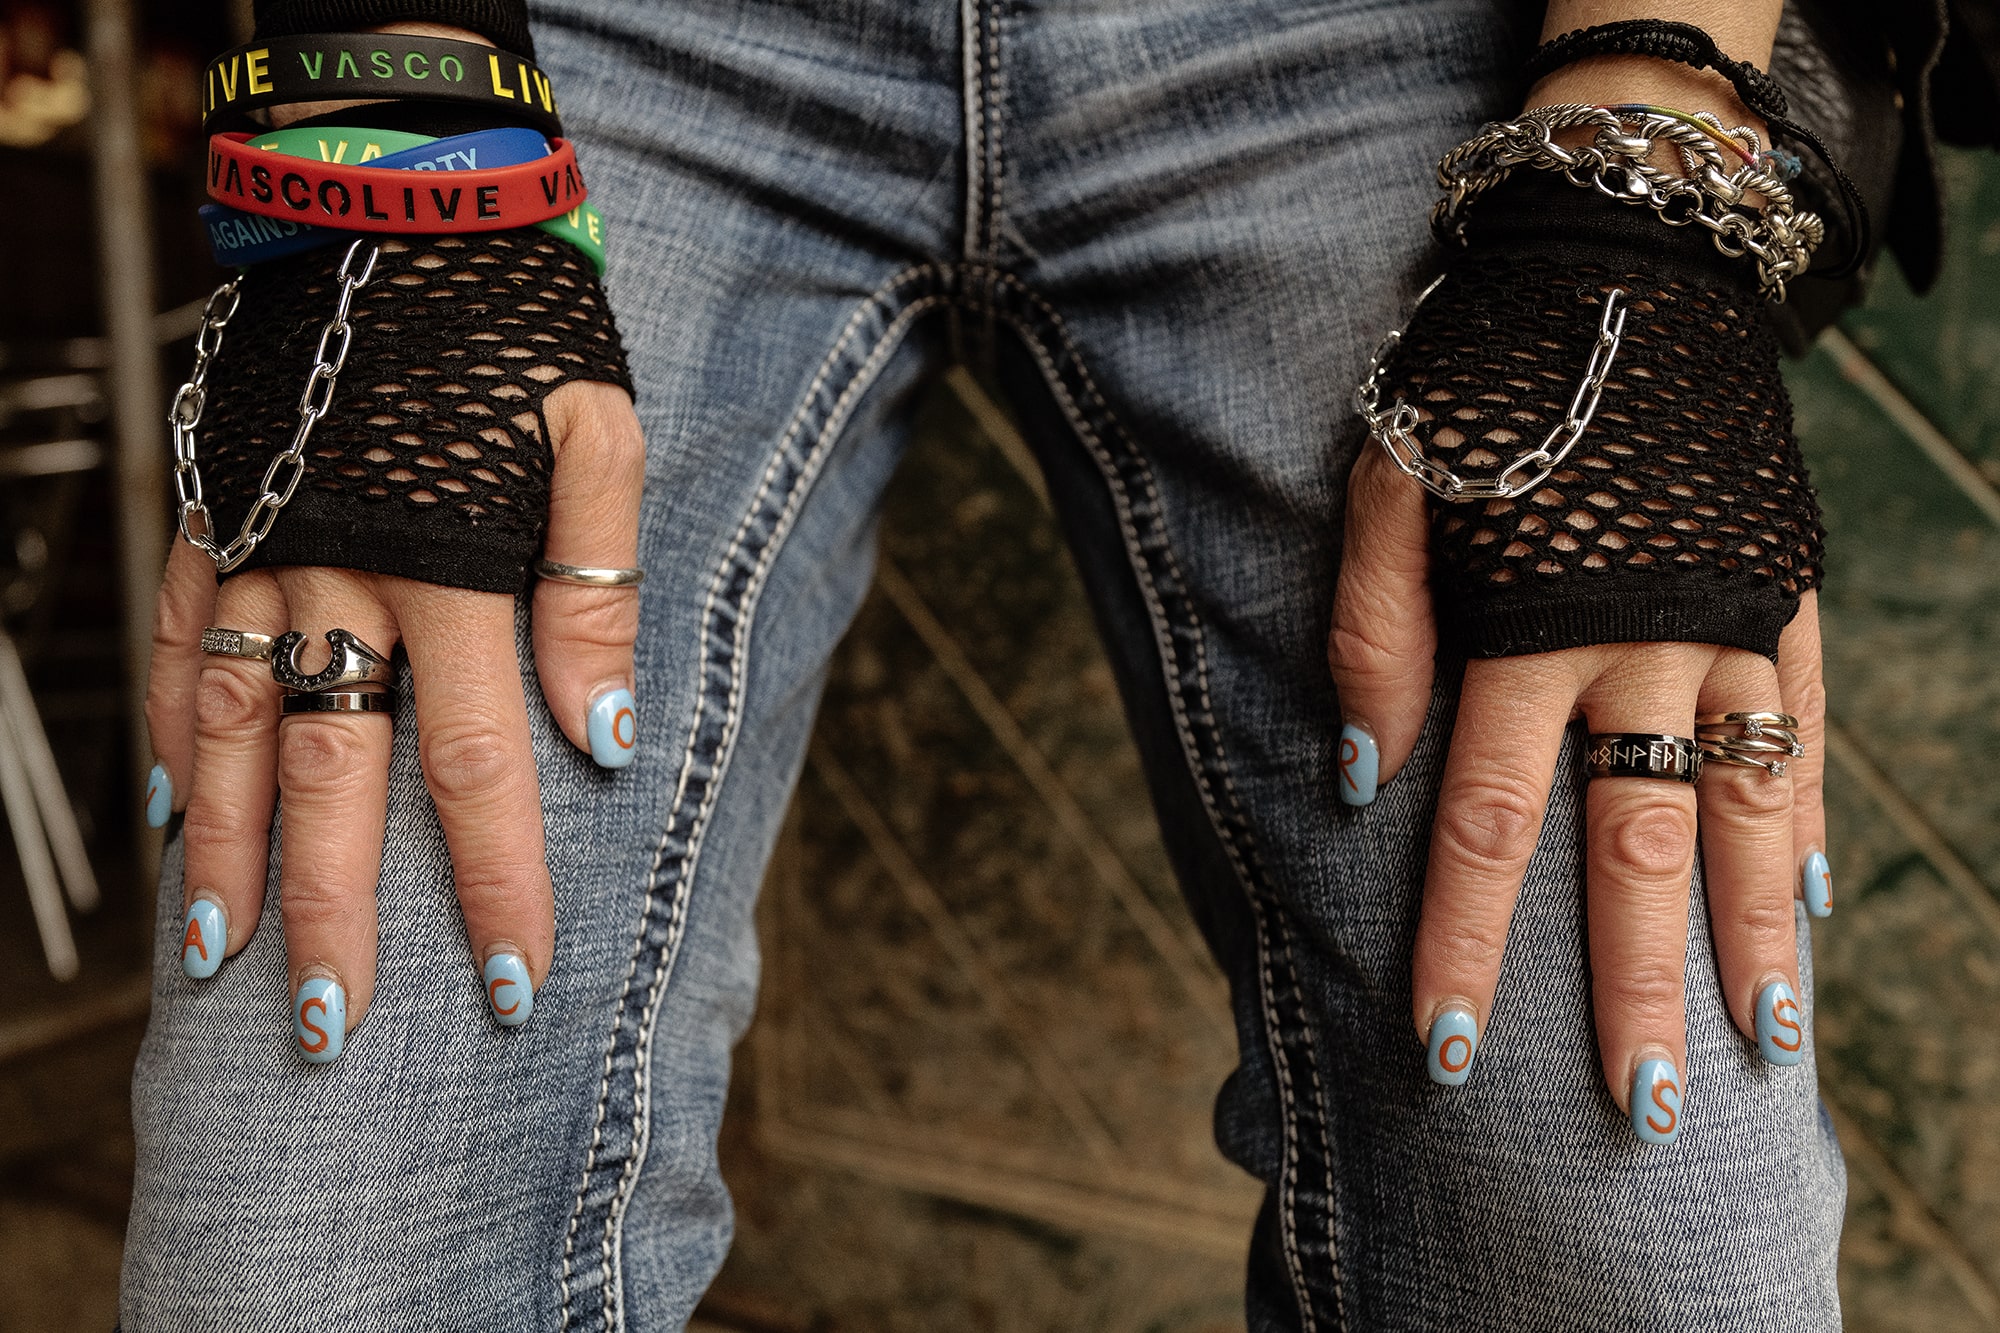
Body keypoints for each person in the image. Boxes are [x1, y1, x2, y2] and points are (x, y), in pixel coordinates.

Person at [124, 0, 1907, 1326]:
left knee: (1637, 1225)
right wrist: (386, 91)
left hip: (1381, 38)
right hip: (597, 45)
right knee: (308, 1244)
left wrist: (1637, 168)